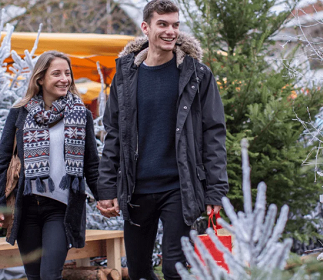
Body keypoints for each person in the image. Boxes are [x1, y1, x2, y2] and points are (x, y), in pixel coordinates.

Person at [96, 0, 229, 279]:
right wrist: (107, 188)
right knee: (140, 270)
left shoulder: (197, 75)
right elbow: (114, 135)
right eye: (163, 24)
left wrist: (215, 190)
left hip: (179, 187)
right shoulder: (125, 76)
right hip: (137, 189)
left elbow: (214, 134)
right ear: (146, 27)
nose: (171, 31)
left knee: (174, 268)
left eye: (175, 25)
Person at [0, 51, 99, 280]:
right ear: (40, 79)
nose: (64, 79)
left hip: (60, 209)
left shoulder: (80, 115)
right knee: (34, 275)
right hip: (26, 208)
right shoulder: (20, 113)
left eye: (68, 73)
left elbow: (92, 166)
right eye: (56, 73)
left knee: (49, 274)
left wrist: (106, 197)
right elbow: (2, 159)